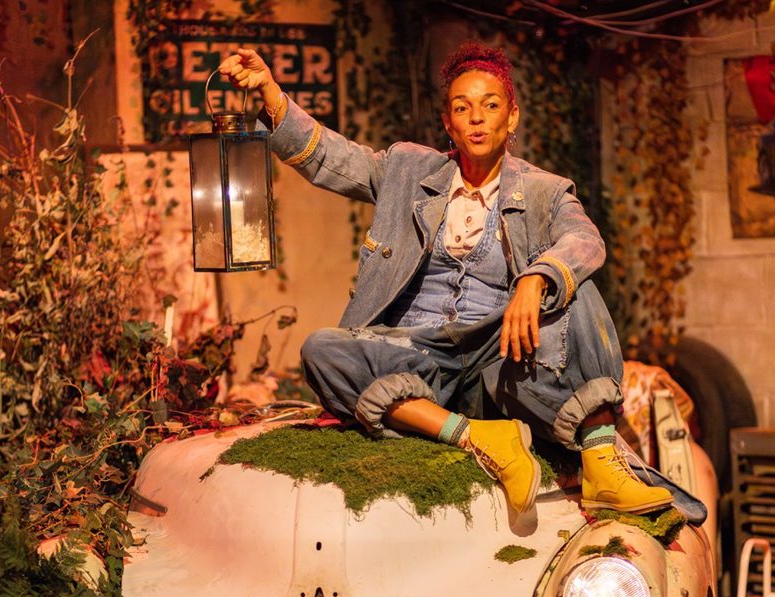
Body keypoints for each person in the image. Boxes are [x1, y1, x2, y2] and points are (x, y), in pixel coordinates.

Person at [219, 43, 675, 517]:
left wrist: (537, 277)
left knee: (576, 287)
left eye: (490, 105)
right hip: (417, 355)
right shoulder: (406, 169)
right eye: (462, 108)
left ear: (512, 118)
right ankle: (477, 436)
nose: (476, 118)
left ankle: (602, 465)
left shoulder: (545, 190)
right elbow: (330, 157)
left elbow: (584, 240)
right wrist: (270, 92)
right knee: (321, 349)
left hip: (498, 362)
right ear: (448, 124)